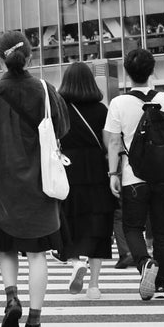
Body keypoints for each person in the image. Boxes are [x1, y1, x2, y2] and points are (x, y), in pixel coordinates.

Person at [0, 32, 69, 327]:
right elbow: (62, 128)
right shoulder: (45, 91)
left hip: (0, 187)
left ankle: (11, 297)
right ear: (31, 56)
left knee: (6, 248)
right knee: (37, 255)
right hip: (39, 185)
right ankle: (34, 323)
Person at [104, 47, 164, 301]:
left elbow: (114, 142)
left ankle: (145, 263)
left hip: (133, 176)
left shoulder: (118, 103)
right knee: (162, 231)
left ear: (126, 72)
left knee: (132, 227)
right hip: (162, 175)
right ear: (152, 70)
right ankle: (162, 283)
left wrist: (113, 173)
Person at [56, 61, 115, 300]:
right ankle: (94, 285)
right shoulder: (102, 110)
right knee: (98, 224)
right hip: (97, 170)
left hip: (68, 169)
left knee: (68, 219)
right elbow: (108, 143)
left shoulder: (60, 109)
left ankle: (73, 261)